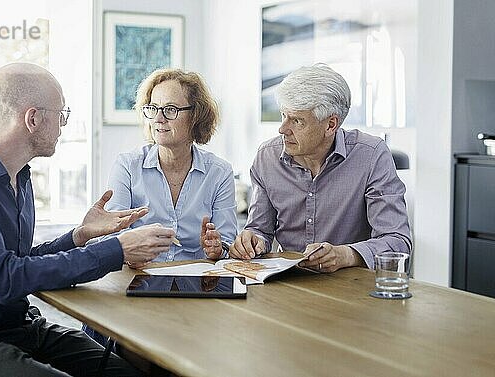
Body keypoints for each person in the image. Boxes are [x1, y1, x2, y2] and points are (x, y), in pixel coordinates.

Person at [0, 62, 176, 377]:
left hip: (21, 329)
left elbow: (20, 261)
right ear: (34, 118)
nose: (64, 125)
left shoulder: (20, 176)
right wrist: (116, 249)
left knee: (127, 373)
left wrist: (79, 236)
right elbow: (4, 278)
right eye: (61, 114)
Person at [83, 68, 237, 345]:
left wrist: (217, 248)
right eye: (152, 108)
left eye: (170, 109)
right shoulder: (128, 166)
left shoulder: (220, 172)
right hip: (135, 279)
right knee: (104, 342)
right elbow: (108, 235)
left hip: (194, 289)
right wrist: (129, 253)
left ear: (196, 115)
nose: (158, 118)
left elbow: (227, 243)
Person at [229, 63, 411, 272]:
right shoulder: (267, 157)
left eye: (297, 121)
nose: (282, 129)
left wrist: (345, 255)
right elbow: (259, 229)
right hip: (289, 285)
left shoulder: (371, 155)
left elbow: (397, 241)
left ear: (331, 125)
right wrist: (253, 241)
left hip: (350, 288)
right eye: (283, 115)